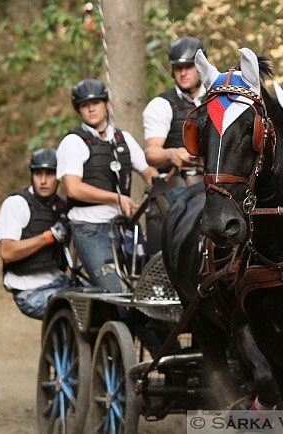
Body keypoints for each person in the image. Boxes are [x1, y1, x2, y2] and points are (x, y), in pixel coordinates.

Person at [56, 78, 156, 293]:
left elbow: (149, 171)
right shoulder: (73, 142)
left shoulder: (123, 139)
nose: (91, 108)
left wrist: (157, 185)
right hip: (89, 228)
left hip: (124, 227)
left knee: (145, 287)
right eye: (85, 105)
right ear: (79, 110)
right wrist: (116, 198)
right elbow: (73, 188)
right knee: (115, 291)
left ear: (106, 104)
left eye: (96, 102)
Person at [0, 148, 70, 319]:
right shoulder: (17, 204)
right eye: (38, 174)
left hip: (60, 281)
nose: (43, 181)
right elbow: (7, 252)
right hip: (29, 291)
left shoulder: (63, 207)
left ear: (59, 177)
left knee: (103, 302)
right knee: (74, 311)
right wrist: (49, 236)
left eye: (50, 174)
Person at [143, 36, 207, 200]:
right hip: (178, 186)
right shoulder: (161, 105)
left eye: (188, 66)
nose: (183, 73)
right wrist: (172, 154)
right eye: (178, 68)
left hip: (215, 184)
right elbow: (151, 152)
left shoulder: (217, 100)